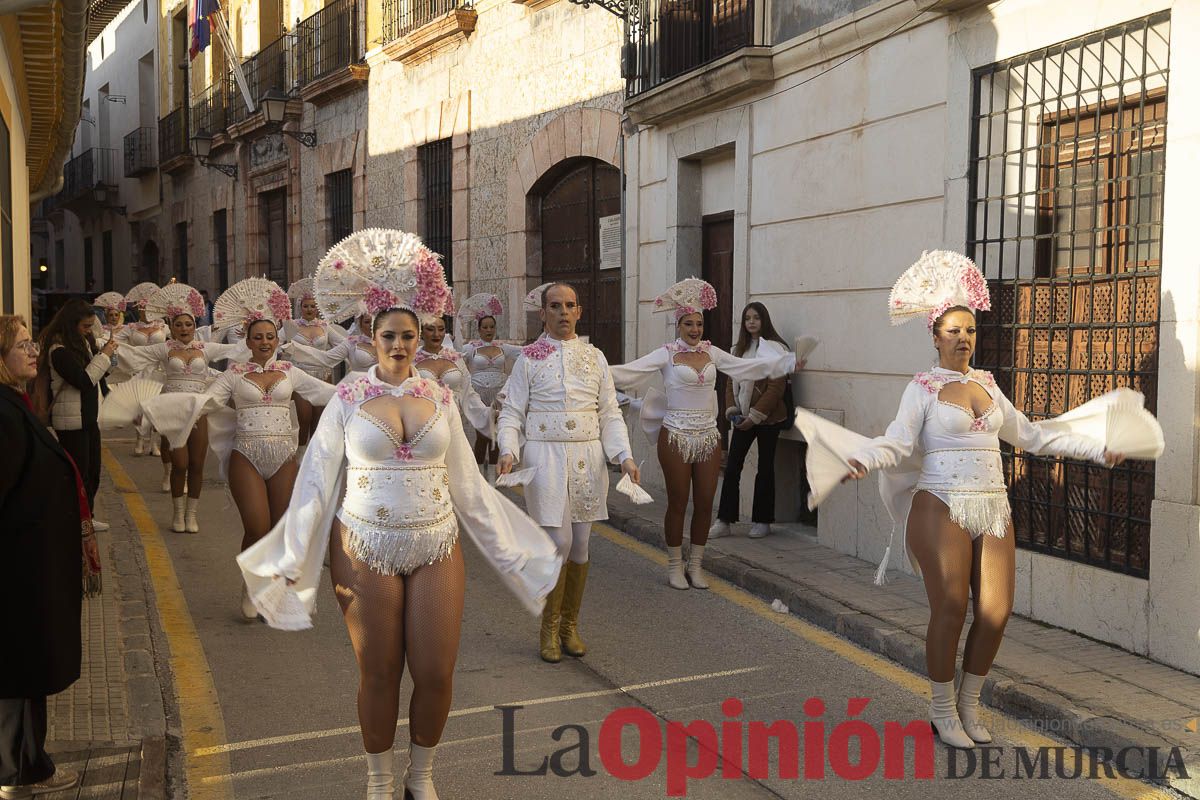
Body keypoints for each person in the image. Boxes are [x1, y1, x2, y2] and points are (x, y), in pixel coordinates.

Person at [236, 228, 560, 800]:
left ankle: (422, 774)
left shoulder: (439, 397)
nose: (401, 345)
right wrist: (293, 553)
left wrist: (514, 547)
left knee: (435, 672)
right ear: (369, 335)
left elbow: (466, 483)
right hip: (363, 545)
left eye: (410, 335)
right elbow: (314, 481)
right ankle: (380, 780)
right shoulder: (346, 399)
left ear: (423, 336)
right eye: (390, 335)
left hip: (436, 541)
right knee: (380, 672)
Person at [793, 251, 1158, 749]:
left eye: (970, 329)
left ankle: (969, 704)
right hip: (939, 502)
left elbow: (1031, 435)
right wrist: (865, 458)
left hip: (992, 504)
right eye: (953, 330)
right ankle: (941, 709)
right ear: (935, 336)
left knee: (996, 610)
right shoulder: (921, 387)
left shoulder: (987, 384)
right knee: (949, 607)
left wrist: (1098, 447)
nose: (964, 337)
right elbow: (899, 442)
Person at [141, 278, 335, 619]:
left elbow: (327, 394)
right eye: (257, 337)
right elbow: (206, 402)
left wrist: (370, 392)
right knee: (257, 527)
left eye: (269, 337)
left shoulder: (290, 373)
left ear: (278, 340)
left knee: (279, 528)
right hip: (246, 455)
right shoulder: (232, 376)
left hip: (282, 457)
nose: (263, 342)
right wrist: (163, 409)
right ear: (247, 341)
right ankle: (251, 585)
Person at [611, 280, 799, 589]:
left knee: (704, 501)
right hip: (674, 435)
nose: (695, 329)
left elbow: (747, 368)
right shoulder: (666, 354)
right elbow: (628, 372)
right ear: (679, 325)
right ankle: (674, 565)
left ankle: (696, 566)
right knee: (678, 502)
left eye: (699, 323)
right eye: (689, 323)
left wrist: (788, 361)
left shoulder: (713, 353)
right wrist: (588, 367)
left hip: (709, 436)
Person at [497, 282, 640, 663]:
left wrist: (624, 455)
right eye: (555, 306)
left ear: (579, 312)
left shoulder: (595, 358)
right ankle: (548, 626)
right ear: (542, 313)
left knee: (580, 545)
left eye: (570, 305)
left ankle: (569, 627)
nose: (563, 312)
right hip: (544, 456)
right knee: (557, 542)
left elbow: (609, 412)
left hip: (588, 457)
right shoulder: (528, 359)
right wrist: (509, 449)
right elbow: (512, 412)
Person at [0, 315, 99, 800]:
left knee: (25, 669)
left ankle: (25, 764)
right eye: (22, 346)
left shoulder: (14, 405)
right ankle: (23, 774)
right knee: (19, 670)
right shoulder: (2, 414)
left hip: (28, 563)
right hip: (18, 568)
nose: (34, 352)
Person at [116, 283, 248, 533]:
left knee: (197, 465)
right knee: (180, 464)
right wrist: (110, 348)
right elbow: (134, 355)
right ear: (171, 327)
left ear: (194, 326)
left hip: (198, 411)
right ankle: (177, 514)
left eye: (188, 324)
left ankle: (191, 515)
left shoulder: (204, 348)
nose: (184, 329)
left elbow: (237, 350)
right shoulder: (164, 348)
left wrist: (252, 327)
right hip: (173, 411)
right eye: (179, 325)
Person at [711, 302, 793, 540]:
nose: (752, 322)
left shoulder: (776, 348)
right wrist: (733, 412)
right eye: (748, 318)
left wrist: (756, 416)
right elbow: (729, 382)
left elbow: (776, 386)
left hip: (769, 418)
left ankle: (762, 521)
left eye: (756, 318)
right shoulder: (737, 350)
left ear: (764, 320)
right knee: (733, 466)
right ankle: (724, 520)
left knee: (765, 469)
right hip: (741, 418)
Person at [38, 298, 118, 532]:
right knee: (78, 474)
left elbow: (99, 372)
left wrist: (109, 358)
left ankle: (87, 517)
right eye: (85, 326)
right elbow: (83, 380)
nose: (89, 330)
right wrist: (104, 356)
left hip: (89, 417)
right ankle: (74, 519)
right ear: (71, 324)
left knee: (93, 471)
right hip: (70, 421)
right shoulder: (58, 349)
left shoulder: (83, 341)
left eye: (91, 325)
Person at [458, 294, 523, 466]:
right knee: (482, 434)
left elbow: (526, 352)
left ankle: (495, 472)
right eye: (485, 327)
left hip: (498, 395)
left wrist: (545, 340)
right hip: (478, 397)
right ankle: (478, 472)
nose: (488, 330)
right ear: (479, 329)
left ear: (495, 328)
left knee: (495, 433)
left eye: (491, 327)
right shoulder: (470, 348)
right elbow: (453, 358)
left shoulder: (503, 347)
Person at [283, 278, 347, 444]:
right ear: (300, 308)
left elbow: (344, 345)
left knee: (320, 422)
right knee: (303, 419)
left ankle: (317, 461)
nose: (309, 309)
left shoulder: (325, 326)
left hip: (323, 376)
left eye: (312, 306)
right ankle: (301, 458)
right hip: (301, 377)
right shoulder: (291, 326)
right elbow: (274, 343)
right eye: (306, 306)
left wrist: (326, 359)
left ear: (317, 308)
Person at [123, 282, 168, 458]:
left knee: (156, 408)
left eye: (149, 309)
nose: (146, 312)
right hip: (139, 370)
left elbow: (181, 338)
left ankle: (153, 442)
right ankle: (140, 439)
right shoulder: (131, 328)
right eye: (143, 309)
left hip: (158, 370)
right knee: (140, 407)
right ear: (138, 310)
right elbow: (112, 339)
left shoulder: (164, 326)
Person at [284, 313, 378, 379]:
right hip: (361, 390)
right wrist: (293, 348)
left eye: (375, 320)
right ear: (360, 324)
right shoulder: (352, 343)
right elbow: (326, 358)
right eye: (367, 322)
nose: (371, 325)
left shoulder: (391, 343)